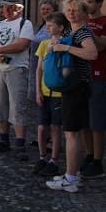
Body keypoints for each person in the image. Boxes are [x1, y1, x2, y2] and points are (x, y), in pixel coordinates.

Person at [46, 0, 98, 193]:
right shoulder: (73, 31)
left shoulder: (83, 33)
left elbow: (92, 54)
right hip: (72, 86)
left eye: (75, 10)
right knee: (71, 132)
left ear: (84, 13)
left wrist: (66, 47)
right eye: (68, 10)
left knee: (71, 133)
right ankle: (72, 173)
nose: (71, 13)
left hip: (77, 87)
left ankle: (71, 177)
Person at [0, 0, 34, 162]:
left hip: (16, 69)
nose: (6, 10)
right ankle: (3, 139)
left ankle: (20, 144)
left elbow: (22, 44)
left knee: (17, 106)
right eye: (4, 6)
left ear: (19, 9)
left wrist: (0, 51)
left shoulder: (25, 24)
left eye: (11, 7)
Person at [79, 0, 106, 179]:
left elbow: (101, 45)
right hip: (81, 78)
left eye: (90, 1)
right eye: (83, 0)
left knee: (97, 122)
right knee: (84, 121)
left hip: (98, 77)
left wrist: (85, 27)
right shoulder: (78, 22)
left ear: (99, 2)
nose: (86, 4)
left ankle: (98, 162)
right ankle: (89, 155)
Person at [33, 11, 69, 177]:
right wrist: (37, 90)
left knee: (56, 128)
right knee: (41, 128)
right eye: (46, 25)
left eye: (51, 25)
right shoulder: (44, 45)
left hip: (58, 94)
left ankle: (54, 160)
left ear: (61, 27)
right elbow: (39, 69)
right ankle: (42, 157)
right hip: (44, 92)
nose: (47, 28)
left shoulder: (66, 44)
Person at [29, 0, 60, 101]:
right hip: (36, 63)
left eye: (48, 9)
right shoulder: (43, 25)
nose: (45, 11)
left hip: (47, 65)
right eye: (43, 9)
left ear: (54, 10)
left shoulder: (56, 26)